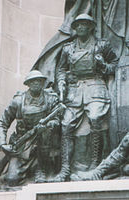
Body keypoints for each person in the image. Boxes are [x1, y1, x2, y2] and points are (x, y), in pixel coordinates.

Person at [53, 14, 118, 182]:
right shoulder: (68, 48)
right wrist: (61, 83)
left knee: (95, 118)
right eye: (78, 25)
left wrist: (103, 65)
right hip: (74, 91)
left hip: (96, 87)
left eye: (84, 25)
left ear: (91, 27)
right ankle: (65, 169)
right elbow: (60, 69)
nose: (81, 28)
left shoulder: (101, 45)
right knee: (66, 124)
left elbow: (115, 65)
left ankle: (96, 164)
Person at [0, 70, 60, 186]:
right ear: (28, 84)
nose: (36, 83)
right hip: (23, 144)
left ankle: (42, 169)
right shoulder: (18, 101)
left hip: (44, 144)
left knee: (46, 133)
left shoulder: (51, 99)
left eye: (39, 81)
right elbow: (2, 122)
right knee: (12, 179)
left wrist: (49, 124)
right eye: (33, 81)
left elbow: (57, 120)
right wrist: (2, 144)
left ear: (43, 83)